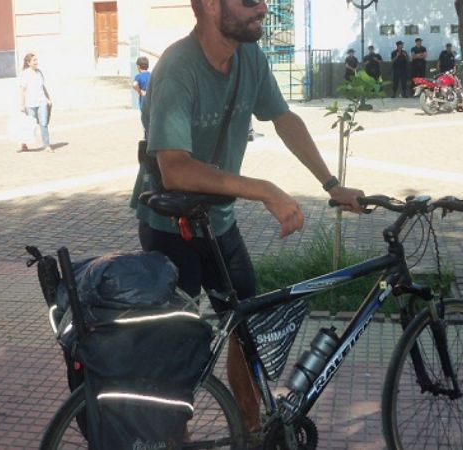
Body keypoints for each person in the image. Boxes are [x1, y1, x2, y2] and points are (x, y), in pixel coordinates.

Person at [129, 0, 364, 444]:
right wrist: (264, 189)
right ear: (212, 6)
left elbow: (284, 118)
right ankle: (168, 437)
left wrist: (331, 184)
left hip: (216, 222)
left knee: (244, 325)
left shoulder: (250, 58)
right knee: (177, 345)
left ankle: (250, 431)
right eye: (249, 1)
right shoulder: (178, 68)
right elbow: (175, 168)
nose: (261, 7)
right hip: (171, 228)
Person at [19, 53, 52, 151]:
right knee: (30, 125)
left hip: (41, 101)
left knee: (44, 123)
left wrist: (48, 98)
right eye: (34, 61)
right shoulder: (25, 74)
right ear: (28, 63)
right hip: (30, 103)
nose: (36, 62)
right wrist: (22, 105)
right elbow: (22, 90)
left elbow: (43, 86)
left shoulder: (39, 73)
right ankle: (24, 143)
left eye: (36, 60)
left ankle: (46, 145)